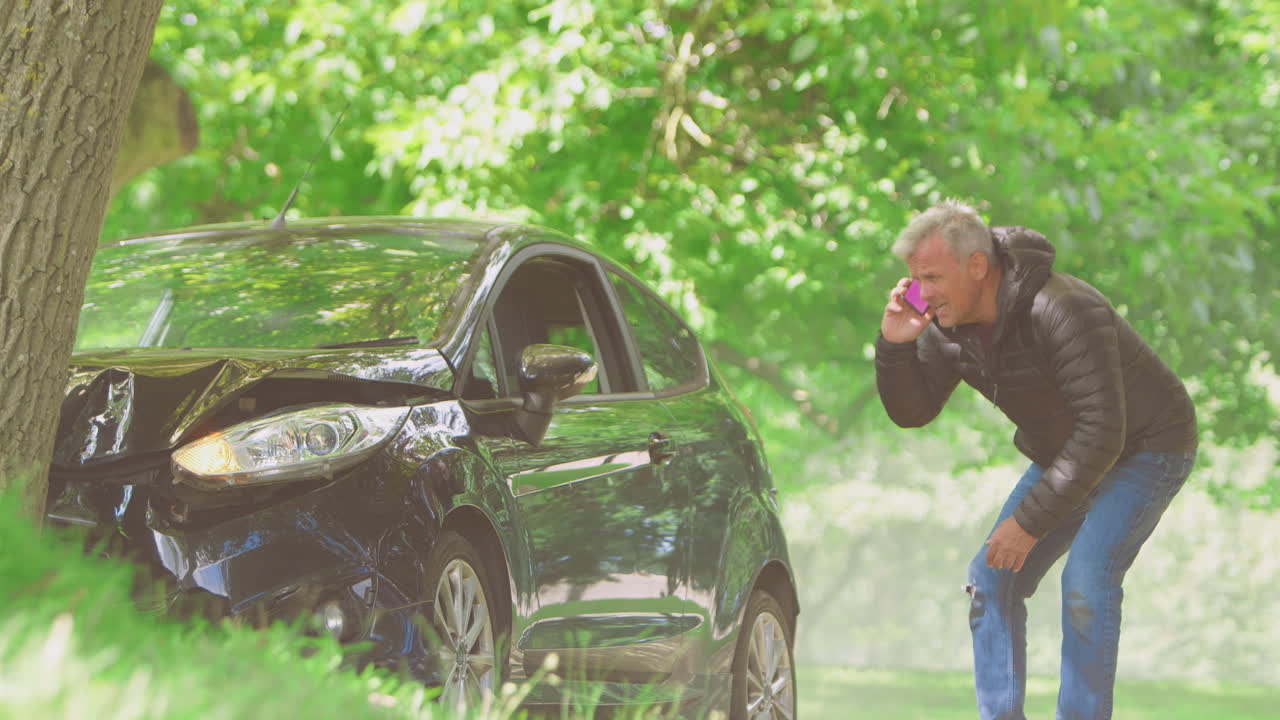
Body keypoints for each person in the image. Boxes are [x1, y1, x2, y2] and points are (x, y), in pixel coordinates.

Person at [874, 200, 1198, 720]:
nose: (922, 291)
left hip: (1147, 445)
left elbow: (1103, 431)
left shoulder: (1062, 307)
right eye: (915, 278)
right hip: (1069, 451)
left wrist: (1027, 524)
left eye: (932, 276)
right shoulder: (943, 325)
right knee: (990, 578)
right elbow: (912, 412)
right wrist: (894, 345)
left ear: (977, 266)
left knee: (1086, 582)